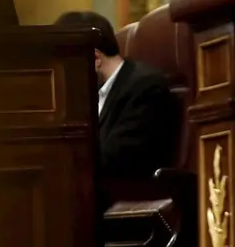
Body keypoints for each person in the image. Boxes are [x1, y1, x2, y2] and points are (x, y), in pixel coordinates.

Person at [54, 11, 178, 206]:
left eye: (66, 64)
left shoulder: (144, 86)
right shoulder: (93, 92)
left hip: (130, 202)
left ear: (95, 58)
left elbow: (118, 159)